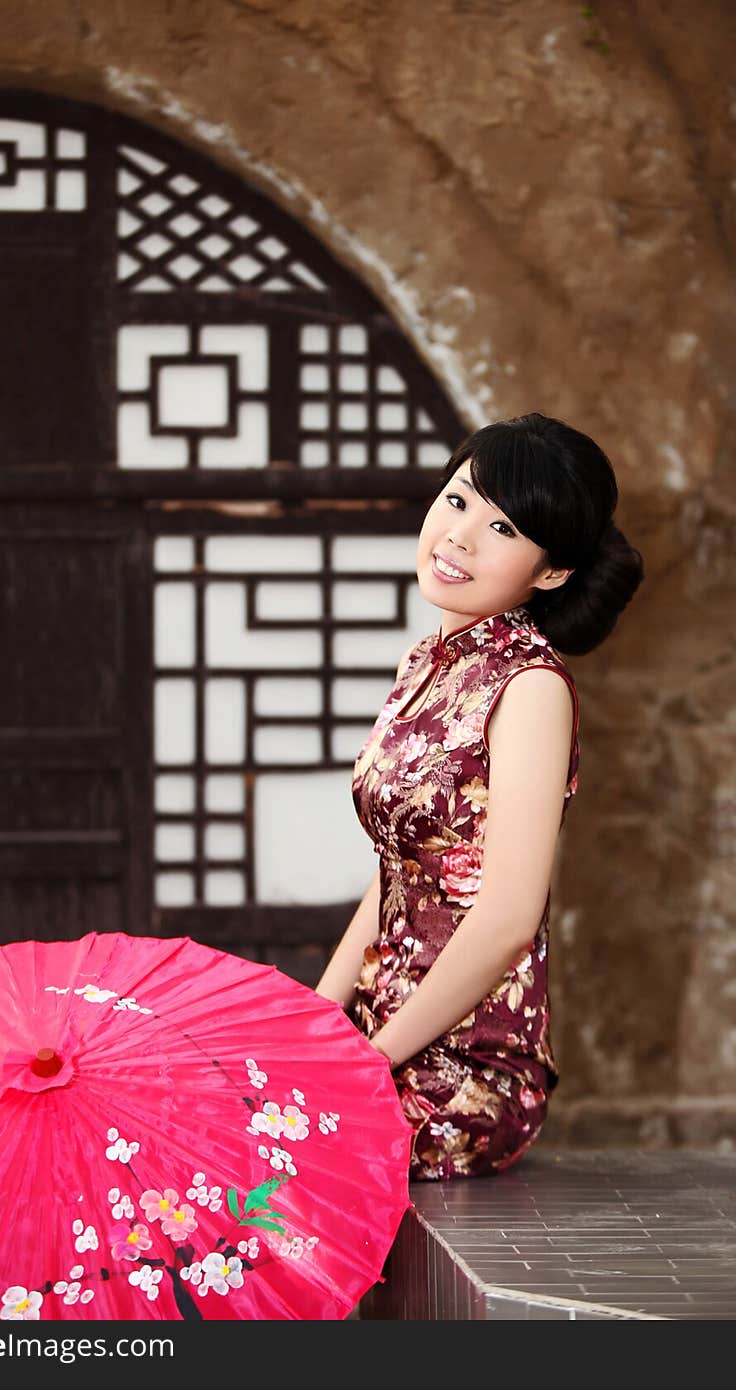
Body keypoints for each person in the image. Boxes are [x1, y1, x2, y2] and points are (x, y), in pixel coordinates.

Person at [315, 412, 644, 1179]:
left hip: (463, 1061)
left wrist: (364, 1063)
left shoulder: (530, 688)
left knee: (254, 1153)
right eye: (458, 501)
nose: (459, 536)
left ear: (551, 571)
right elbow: (398, 868)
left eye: (503, 527)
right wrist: (317, 1024)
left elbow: (505, 919)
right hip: (377, 1030)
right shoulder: (426, 662)